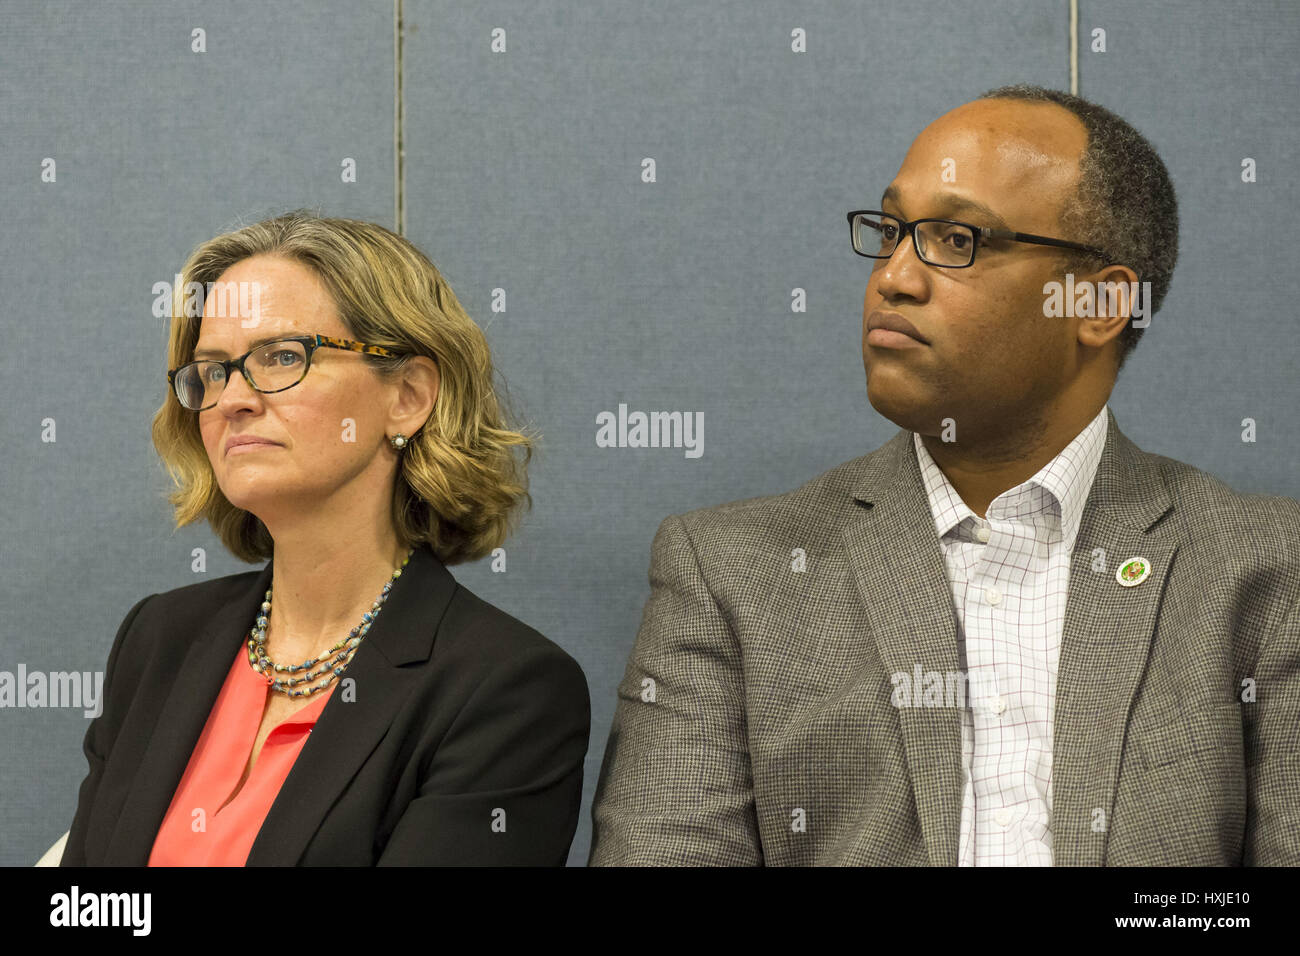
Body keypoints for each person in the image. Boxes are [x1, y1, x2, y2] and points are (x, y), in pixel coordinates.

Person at [588, 85, 1300, 865]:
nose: (894, 277)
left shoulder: (1263, 572)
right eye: (892, 231)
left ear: (1098, 303)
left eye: (957, 239)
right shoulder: (735, 573)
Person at [62, 210, 590, 866]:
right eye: (213, 370)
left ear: (408, 396)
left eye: (282, 356)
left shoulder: (506, 690)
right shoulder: (160, 639)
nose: (232, 399)